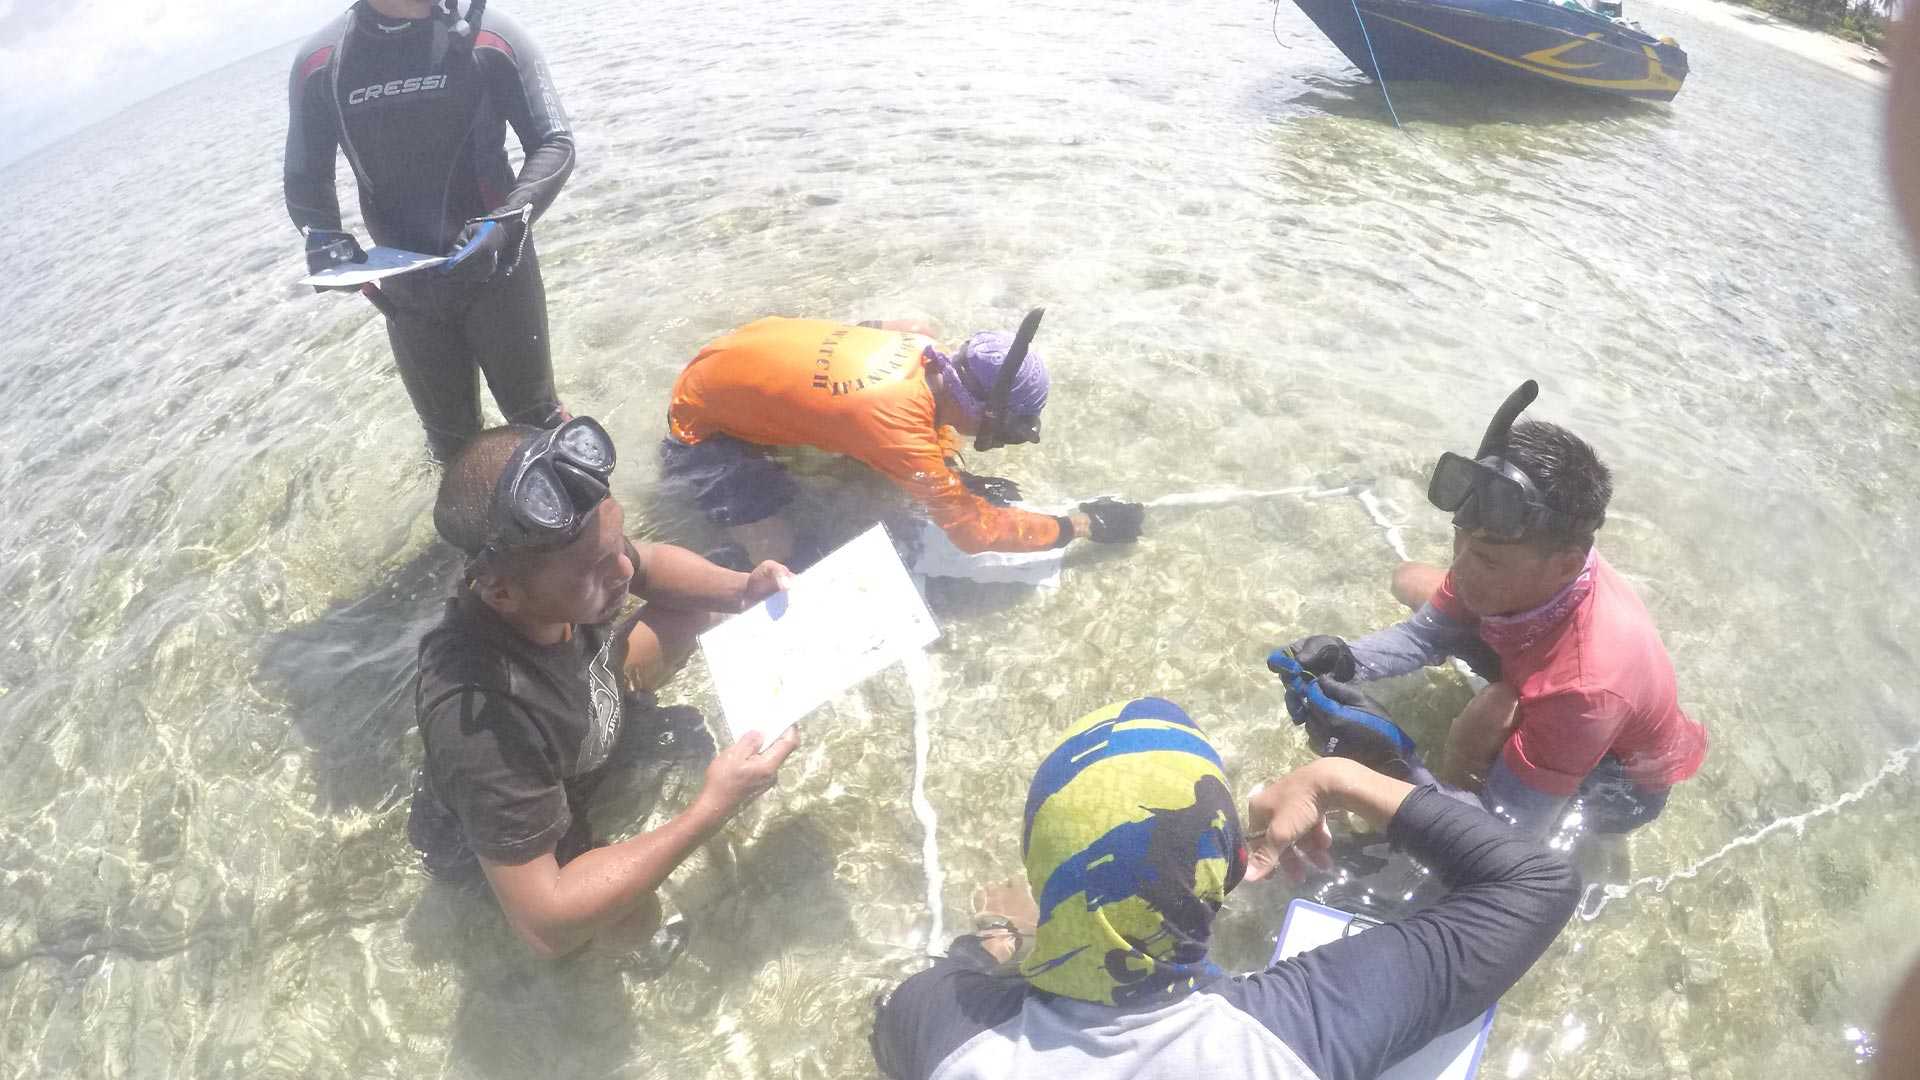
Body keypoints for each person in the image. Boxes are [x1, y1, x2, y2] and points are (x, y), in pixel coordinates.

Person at [869, 696, 1580, 1080]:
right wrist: (1336, 779)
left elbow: (928, 991)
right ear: (1231, 867)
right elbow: (1536, 880)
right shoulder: (1294, 1034)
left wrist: (1001, 942)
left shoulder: (937, 1027)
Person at [407, 418, 800, 959]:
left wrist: (742, 589)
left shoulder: (566, 559)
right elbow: (545, 926)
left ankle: (614, 751)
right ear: (501, 593)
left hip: (579, 724)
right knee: (632, 918)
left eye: (616, 543)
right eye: (592, 568)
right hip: (515, 827)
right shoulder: (480, 722)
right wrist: (712, 806)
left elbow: (653, 564)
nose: (621, 570)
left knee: (698, 604)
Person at [1276, 381, 1707, 836]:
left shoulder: (1585, 691)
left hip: (1615, 779)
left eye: (1487, 558)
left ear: (1564, 566)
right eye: (1459, 539)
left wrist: (1389, 766)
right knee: (1408, 579)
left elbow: (1506, 833)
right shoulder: (1531, 562)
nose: (1460, 569)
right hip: (1540, 639)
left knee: (1480, 725)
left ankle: (1475, 751)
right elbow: (1423, 636)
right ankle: (1503, 699)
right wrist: (1346, 660)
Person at [285, 0, 575, 463]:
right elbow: (305, 180)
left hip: (497, 270)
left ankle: (587, 533)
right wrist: (325, 239)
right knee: (450, 445)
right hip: (407, 293)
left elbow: (554, 143)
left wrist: (506, 223)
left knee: (536, 426)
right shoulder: (322, 62)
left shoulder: (490, 36)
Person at [661, 311, 1146, 563]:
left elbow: (922, 430)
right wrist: (1077, 526)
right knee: (783, 553)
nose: (1004, 439)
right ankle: (711, 549)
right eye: (1006, 429)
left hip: (735, 352)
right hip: (702, 425)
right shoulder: (897, 428)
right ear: (985, 409)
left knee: (876, 467)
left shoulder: (922, 346)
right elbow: (973, 535)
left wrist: (955, 477)